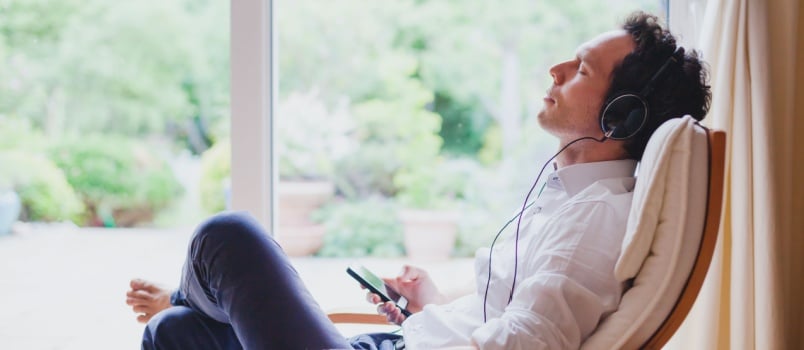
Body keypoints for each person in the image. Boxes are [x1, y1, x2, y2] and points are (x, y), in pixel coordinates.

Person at [126, 11, 710, 350]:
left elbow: (530, 343)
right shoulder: (568, 200)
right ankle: (188, 307)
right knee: (175, 336)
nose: (556, 69)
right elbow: (513, 314)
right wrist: (431, 307)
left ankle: (188, 295)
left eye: (581, 69)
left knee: (223, 238)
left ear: (622, 116)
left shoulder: (594, 217)